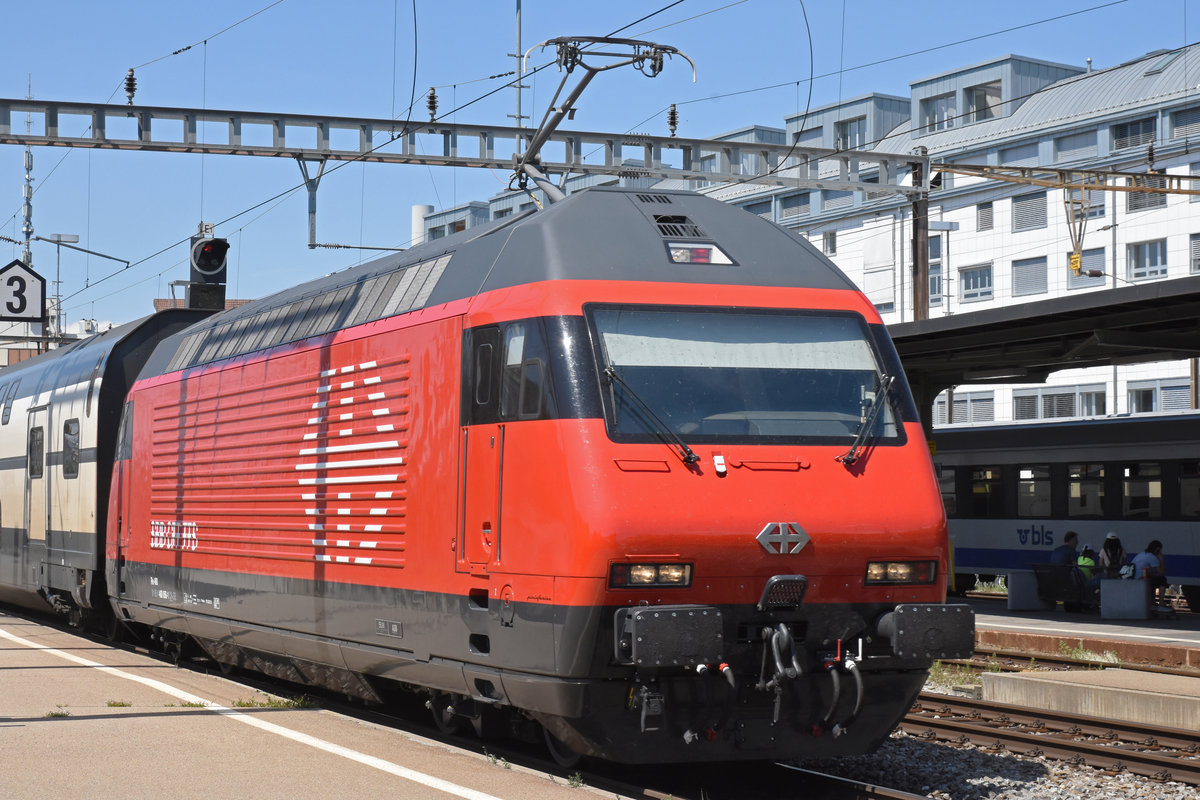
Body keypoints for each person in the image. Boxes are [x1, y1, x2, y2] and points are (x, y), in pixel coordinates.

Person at [1131, 540, 1168, 604]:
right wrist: (1161, 559)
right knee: (1162, 580)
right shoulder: (1153, 557)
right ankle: (1161, 604)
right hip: (1141, 579)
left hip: (1134, 579)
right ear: (1157, 550)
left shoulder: (1142, 554)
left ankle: (1152, 602)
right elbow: (1161, 572)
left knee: (1153, 579)